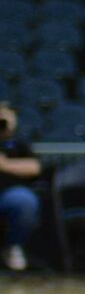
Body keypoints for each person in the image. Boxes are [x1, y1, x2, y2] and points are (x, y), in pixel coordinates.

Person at [1, 100, 42, 274]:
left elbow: (34, 167)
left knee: (24, 200)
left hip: (9, 194)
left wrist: (5, 165)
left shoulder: (19, 143)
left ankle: (12, 247)